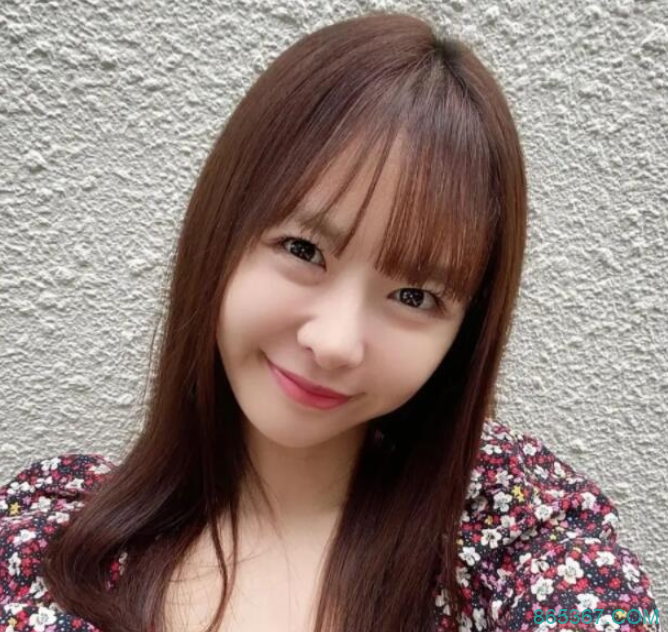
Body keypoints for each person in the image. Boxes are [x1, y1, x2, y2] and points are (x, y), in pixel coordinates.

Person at [0, 10, 660, 632]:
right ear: (221, 233)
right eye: (303, 250)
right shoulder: (51, 545)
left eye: (414, 296)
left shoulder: (514, 529)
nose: (335, 343)